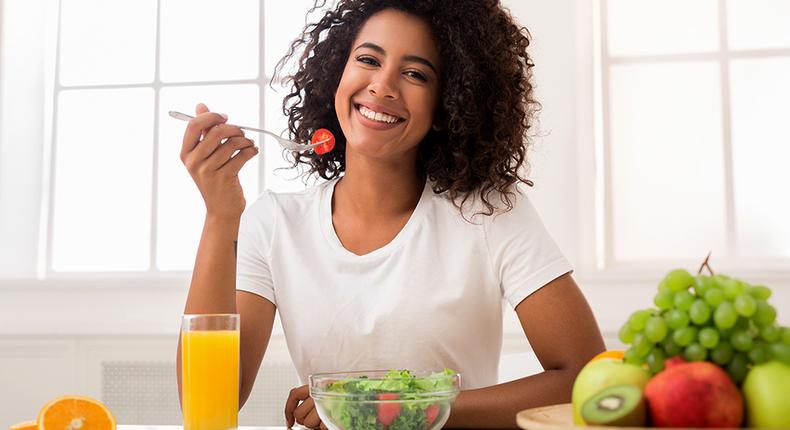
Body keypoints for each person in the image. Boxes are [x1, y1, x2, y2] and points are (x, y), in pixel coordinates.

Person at [176, 0, 605, 428]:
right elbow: (213, 400)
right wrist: (220, 216)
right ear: (337, 75)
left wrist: (396, 409)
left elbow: (584, 376)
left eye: (415, 74)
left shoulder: (488, 212)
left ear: (447, 105)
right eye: (368, 59)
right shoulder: (274, 223)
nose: (382, 86)